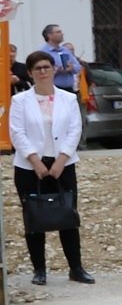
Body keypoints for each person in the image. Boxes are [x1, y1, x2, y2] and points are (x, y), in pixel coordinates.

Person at [9, 50, 93, 285]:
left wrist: (61, 160)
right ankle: (39, 270)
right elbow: (17, 132)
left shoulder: (68, 98)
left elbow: (75, 130)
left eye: (47, 67)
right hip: (29, 167)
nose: (43, 72)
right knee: (34, 217)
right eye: (38, 68)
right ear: (30, 73)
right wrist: (35, 161)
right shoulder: (20, 101)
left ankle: (76, 268)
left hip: (62, 164)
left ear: (54, 69)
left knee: (68, 214)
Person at [40, 25, 82, 93]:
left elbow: (78, 67)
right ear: (49, 35)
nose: (62, 34)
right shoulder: (43, 52)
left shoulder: (65, 50)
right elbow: (41, 72)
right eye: (58, 32)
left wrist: (72, 68)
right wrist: (56, 70)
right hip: (52, 90)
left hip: (69, 90)